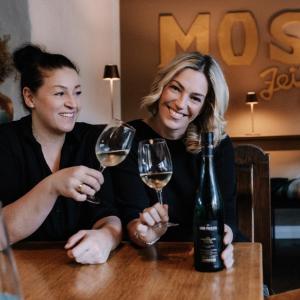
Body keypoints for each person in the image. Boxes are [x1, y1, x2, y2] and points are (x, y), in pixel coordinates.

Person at [113, 51, 241, 269]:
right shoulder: (129, 137)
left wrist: (223, 240)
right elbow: (132, 221)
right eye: (175, 88)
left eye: (195, 98)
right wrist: (146, 234)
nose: (181, 104)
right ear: (162, 86)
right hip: (151, 260)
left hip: (207, 253)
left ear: (204, 107)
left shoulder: (216, 144)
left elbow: (226, 216)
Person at [0, 44, 121, 264]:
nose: (73, 104)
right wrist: (53, 185)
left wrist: (106, 237)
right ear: (30, 97)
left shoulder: (93, 139)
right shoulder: (6, 142)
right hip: (18, 273)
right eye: (59, 93)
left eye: (77, 92)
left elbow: (108, 214)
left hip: (80, 272)